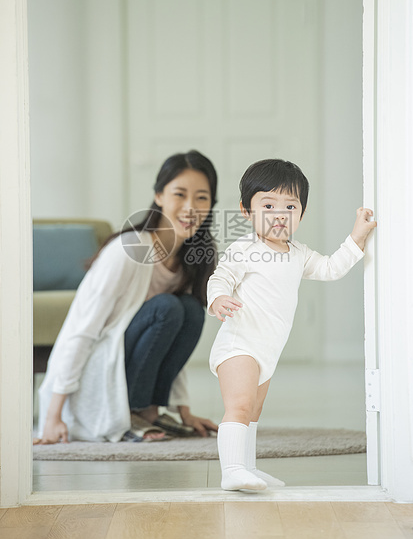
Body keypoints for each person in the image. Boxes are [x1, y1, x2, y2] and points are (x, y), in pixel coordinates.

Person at [207, 158, 376, 491]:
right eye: (268, 205)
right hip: (238, 346)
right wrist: (217, 299)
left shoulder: (299, 254)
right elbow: (220, 277)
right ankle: (232, 469)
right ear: (246, 210)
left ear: (301, 214)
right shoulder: (246, 249)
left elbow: (331, 268)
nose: (279, 214)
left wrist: (357, 237)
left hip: (267, 352)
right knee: (238, 406)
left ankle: (249, 468)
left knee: (252, 413)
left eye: (290, 206)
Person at [34, 150, 219, 445]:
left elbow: (174, 341)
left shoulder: (192, 259)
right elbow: (82, 329)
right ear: (159, 196)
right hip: (99, 371)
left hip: (130, 367)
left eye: (201, 197)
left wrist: (184, 410)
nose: (190, 207)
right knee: (167, 308)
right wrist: (52, 415)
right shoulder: (129, 249)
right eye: (179, 194)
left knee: (191, 310)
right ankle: (130, 411)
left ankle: (148, 411)